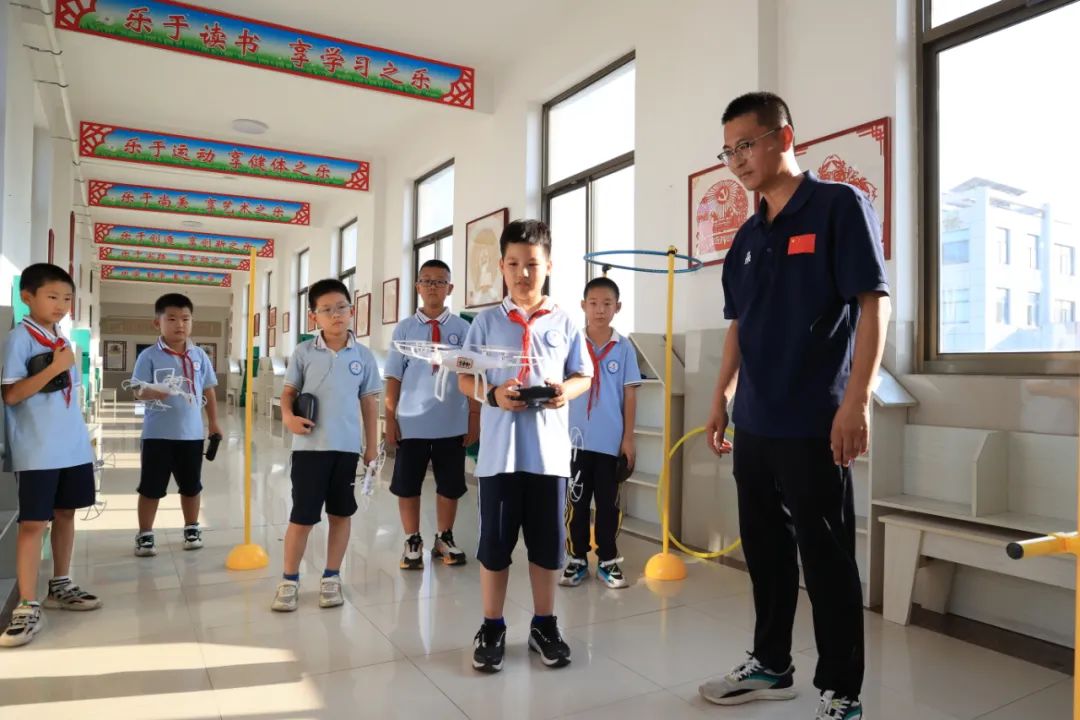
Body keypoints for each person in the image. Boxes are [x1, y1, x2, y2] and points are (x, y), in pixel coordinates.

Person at [697, 92, 889, 720]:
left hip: (816, 419)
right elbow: (739, 324)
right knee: (766, 551)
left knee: (826, 556)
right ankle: (771, 663)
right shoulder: (747, 237)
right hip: (755, 421)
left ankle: (842, 690)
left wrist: (857, 401)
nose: (736, 160)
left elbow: (872, 303)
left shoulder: (837, 206)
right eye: (728, 151)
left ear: (783, 137)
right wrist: (722, 396)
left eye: (745, 145)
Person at [459, 219, 591, 673]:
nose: (523, 273)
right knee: (495, 547)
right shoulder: (485, 322)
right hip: (499, 457)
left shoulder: (565, 321)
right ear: (501, 266)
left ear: (548, 266)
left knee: (547, 547)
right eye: (513, 264)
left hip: (549, 456)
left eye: (532, 264)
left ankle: (544, 625)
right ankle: (492, 626)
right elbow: (464, 378)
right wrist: (493, 395)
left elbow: (583, 374)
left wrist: (563, 392)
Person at [1, 264, 102, 648]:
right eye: (52, 296)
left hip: (71, 445)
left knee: (66, 513)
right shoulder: (20, 338)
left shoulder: (59, 336)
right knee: (33, 523)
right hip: (38, 448)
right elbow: (11, 395)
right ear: (27, 297)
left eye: (67, 298)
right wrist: (57, 367)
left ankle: (60, 584)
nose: (61, 305)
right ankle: (26, 605)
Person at [271, 279, 382, 612]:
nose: (336, 315)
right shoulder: (304, 352)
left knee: (341, 514)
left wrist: (371, 447)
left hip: (346, 450)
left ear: (352, 310)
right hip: (309, 449)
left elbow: (369, 403)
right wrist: (288, 417)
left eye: (342, 307)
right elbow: (289, 393)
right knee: (302, 516)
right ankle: (289, 579)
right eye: (327, 310)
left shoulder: (363, 355)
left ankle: (331, 577)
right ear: (313, 317)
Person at [384, 259, 478, 570]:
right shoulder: (405, 328)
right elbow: (394, 377)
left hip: (452, 422)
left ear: (450, 288)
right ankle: (412, 539)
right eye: (427, 280)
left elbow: (472, 375)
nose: (433, 286)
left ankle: (444, 537)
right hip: (411, 424)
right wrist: (390, 419)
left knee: (450, 485)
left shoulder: (464, 329)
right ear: (418, 287)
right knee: (407, 484)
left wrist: (474, 416)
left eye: (440, 281)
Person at [561, 276, 641, 589]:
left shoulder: (624, 348)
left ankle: (608, 560)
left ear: (617, 307)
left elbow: (630, 395)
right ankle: (576, 558)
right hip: (575, 441)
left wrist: (628, 438)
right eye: (593, 303)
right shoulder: (571, 343)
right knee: (576, 503)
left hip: (610, 443)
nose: (599, 309)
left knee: (608, 505)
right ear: (583, 306)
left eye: (607, 304)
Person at [130, 293, 221, 557]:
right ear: (157, 323)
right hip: (157, 435)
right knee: (151, 488)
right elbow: (137, 390)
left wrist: (214, 423)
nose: (179, 324)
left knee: (192, 486)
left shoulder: (199, 355)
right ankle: (145, 533)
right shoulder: (148, 356)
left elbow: (209, 389)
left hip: (191, 436)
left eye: (185, 318)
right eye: (171, 319)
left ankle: (192, 527)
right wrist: (153, 392)